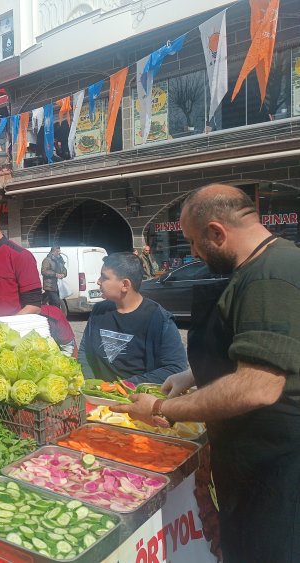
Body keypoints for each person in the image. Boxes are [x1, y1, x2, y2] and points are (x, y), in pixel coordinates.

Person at [112, 184, 300, 562]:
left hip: (276, 468)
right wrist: (191, 375)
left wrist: (162, 409)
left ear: (217, 231)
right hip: (249, 463)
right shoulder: (260, 264)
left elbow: (258, 385)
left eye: (194, 242)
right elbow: (254, 346)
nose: (193, 253)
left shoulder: (270, 275)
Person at [78, 252, 187, 384]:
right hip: (97, 398)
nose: (98, 281)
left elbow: (175, 368)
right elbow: (85, 351)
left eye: (104, 277)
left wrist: (125, 387)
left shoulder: (159, 319)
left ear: (125, 285)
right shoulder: (99, 311)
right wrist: (91, 384)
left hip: (136, 400)